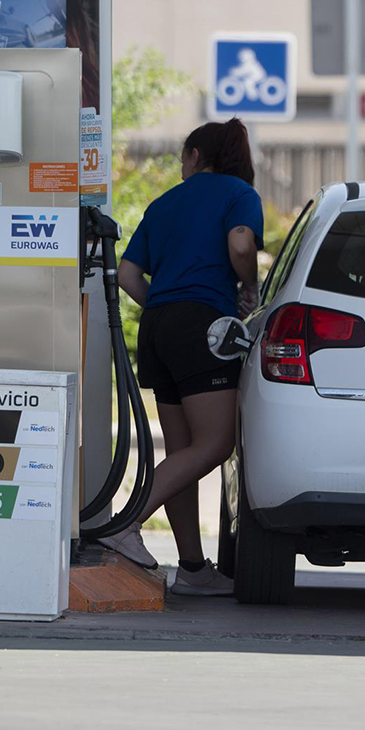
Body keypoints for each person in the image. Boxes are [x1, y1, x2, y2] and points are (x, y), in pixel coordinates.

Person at [102, 119, 263, 596]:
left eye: (181, 159)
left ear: (195, 156)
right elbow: (240, 244)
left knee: (183, 453)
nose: (180, 166)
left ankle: (192, 569)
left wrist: (166, 307)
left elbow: (128, 274)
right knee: (214, 446)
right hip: (204, 327)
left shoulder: (165, 202)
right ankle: (124, 526)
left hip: (157, 326)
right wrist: (249, 286)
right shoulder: (239, 193)